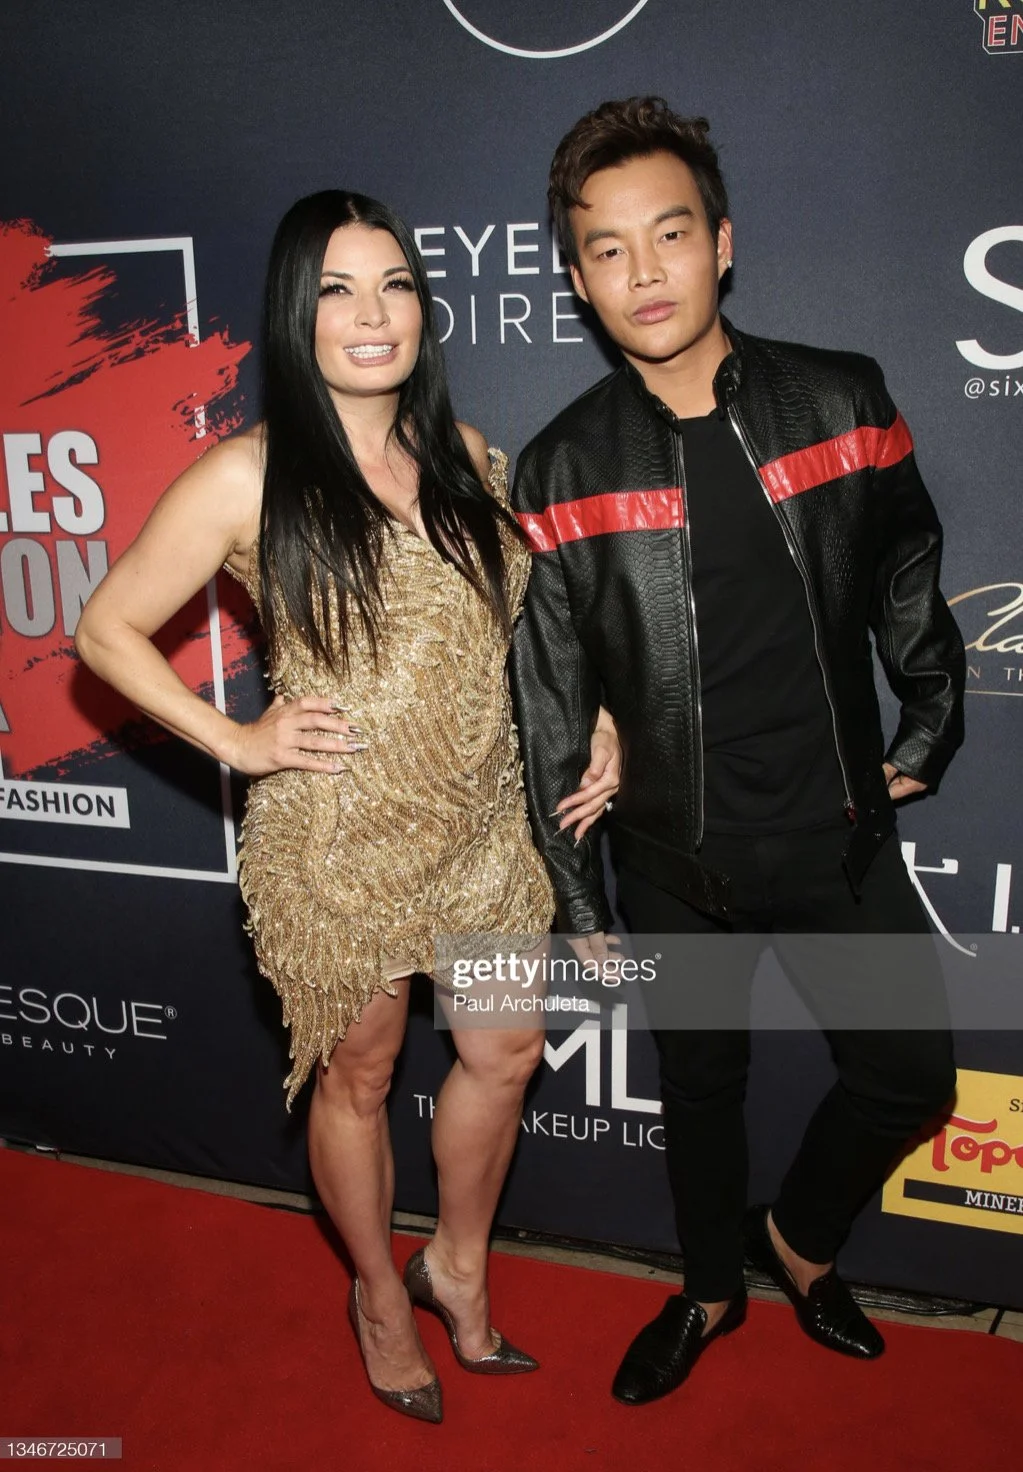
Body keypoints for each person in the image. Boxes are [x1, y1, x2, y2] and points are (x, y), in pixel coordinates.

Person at [74, 190, 621, 1424]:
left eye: (394, 285)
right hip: (338, 837)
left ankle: (458, 1262)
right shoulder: (247, 472)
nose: (373, 315)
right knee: (359, 1075)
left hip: (482, 826)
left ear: (423, 307)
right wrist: (238, 739)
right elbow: (104, 629)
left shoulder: (468, 452)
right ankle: (379, 1289)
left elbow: (527, 626)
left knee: (505, 1050)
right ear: (295, 312)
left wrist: (591, 716)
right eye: (337, 289)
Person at [510, 98, 965, 1405]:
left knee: (910, 1078)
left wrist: (927, 718)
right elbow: (550, 694)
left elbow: (907, 565)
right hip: (672, 860)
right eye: (605, 249)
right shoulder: (560, 468)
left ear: (721, 242)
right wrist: (570, 887)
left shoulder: (840, 397)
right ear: (578, 279)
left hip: (835, 834)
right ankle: (709, 1289)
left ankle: (799, 1240)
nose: (641, 271)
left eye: (668, 234)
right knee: (699, 1090)